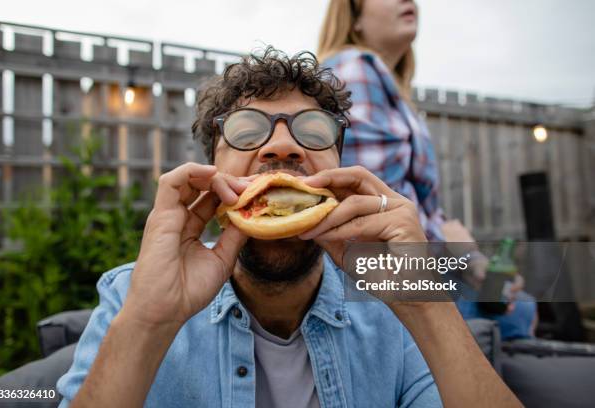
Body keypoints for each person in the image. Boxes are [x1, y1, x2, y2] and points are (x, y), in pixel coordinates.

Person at [56, 47, 521, 407]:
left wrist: (425, 305)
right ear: (211, 176)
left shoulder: (390, 312)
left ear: (340, 172)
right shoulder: (132, 298)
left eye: (314, 132)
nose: (282, 146)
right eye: (245, 130)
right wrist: (147, 323)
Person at [318, 0, 536, 340]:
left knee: (516, 306)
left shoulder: (378, 81)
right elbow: (380, 208)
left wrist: (469, 259)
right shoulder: (357, 68)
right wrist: (463, 256)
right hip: (385, 283)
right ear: (354, 18)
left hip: (399, 269)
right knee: (520, 312)